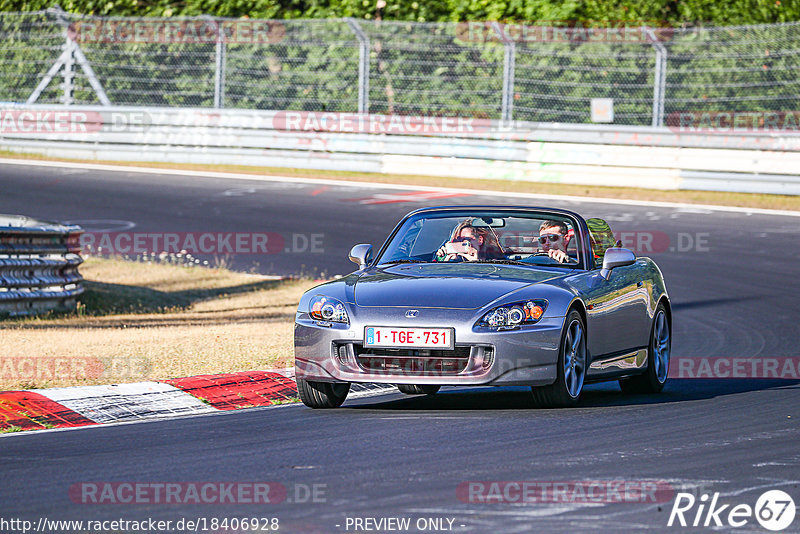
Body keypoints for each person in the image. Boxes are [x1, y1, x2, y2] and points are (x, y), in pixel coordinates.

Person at [434, 218, 503, 262]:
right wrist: (443, 261)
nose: (460, 243)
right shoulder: (454, 260)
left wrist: (477, 263)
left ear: (480, 240)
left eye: (466, 239)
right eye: (457, 240)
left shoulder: (497, 262)